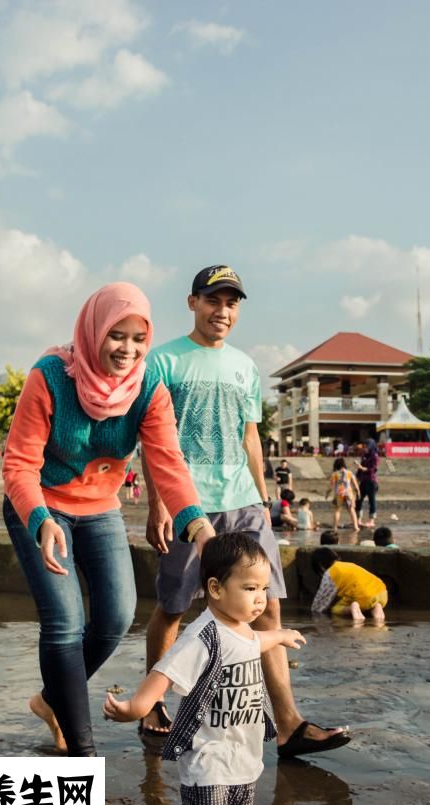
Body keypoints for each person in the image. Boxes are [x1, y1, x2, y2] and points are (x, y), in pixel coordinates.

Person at [141, 264, 348, 757]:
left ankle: (289, 725)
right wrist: (158, 505)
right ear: (193, 303)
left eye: (232, 302)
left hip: (244, 502)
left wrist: (264, 498)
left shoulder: (245, 366)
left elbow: (250, 436)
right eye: (214, 300)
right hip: (189, 503)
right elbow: (153, 441)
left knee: (267, 605)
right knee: (175, 606)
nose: (223, 311)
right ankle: (153, 705)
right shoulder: (163, 361)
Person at [2, 282, 215, 757]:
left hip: (100, 509)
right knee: (64, 622)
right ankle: (81, 752)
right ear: (94, 329)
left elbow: (168, 463)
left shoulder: (147, 389)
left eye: (139, 338)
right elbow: (18, 465)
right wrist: (40, 520)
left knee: (117, 618)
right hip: (39, 505)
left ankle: (52, 700)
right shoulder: (51, 376)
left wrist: (199, 528)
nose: (128, 349)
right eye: (116, 335)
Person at [104, 533, 307, 805]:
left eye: (264, 589)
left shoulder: (242, 628)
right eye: (250, 588)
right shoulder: (204, 636)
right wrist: (136, 706)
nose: (260, 599)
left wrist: (280, 635)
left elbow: (255, 644)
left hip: (243, 749)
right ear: (215, 588)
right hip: (208, 751)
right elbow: (165, 671)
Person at [311, 547, 388, 623]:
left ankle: (351, 608)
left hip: (364, 598)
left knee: (335, 609)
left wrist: (313, 614)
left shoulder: (330, 573)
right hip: (382, 593)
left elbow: (319, 604)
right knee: (369, 603)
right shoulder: (348, 565)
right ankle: (376, 608)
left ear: (320, 566)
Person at [325, 458, 360, 532]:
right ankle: (355, 527)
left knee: (337, 510)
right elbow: (355, 484)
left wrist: (327, 494)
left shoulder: (334, 474)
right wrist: (358, 492)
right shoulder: (349, 473)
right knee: (352, 510)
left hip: (339, 494)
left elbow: (330, 486)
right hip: (348, 493)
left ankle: (335, 527)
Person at [355, 438, 379, 528]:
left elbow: (373, 470)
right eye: (364, 446)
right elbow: (360, 470)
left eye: (366, 446)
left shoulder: (374, 456)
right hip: (363, 481)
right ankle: (358, 520)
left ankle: (371, 520)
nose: (365, 448)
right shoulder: (364, 455)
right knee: (358, 499)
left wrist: (361, 467)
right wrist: (356, 478)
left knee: (371, 501)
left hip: (371, 481)